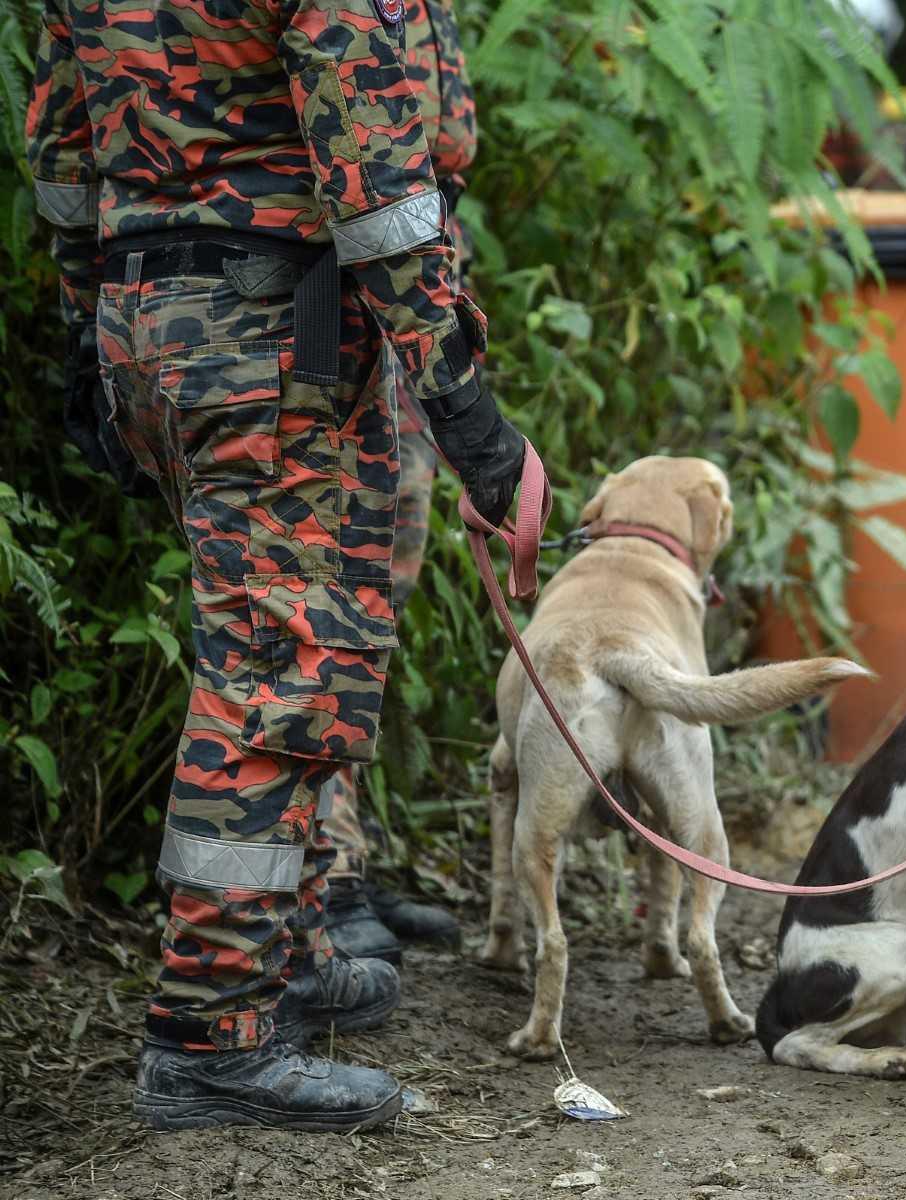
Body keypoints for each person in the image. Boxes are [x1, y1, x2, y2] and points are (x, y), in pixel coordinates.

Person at [28, 0, 525, 1130]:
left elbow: (61, 143)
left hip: (148, 312)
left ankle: (283, 954)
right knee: (278, 677)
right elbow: (381, 185)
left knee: (271, 652)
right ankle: (212, 1032)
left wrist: (81, 331)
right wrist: (465, 406)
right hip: (269, 335)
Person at [317, 0, 478, 964]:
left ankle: (344, 855)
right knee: (321, 598)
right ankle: (317, 879)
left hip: (407, 306)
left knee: (378, 596)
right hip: (327, 302)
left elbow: (440, 140)